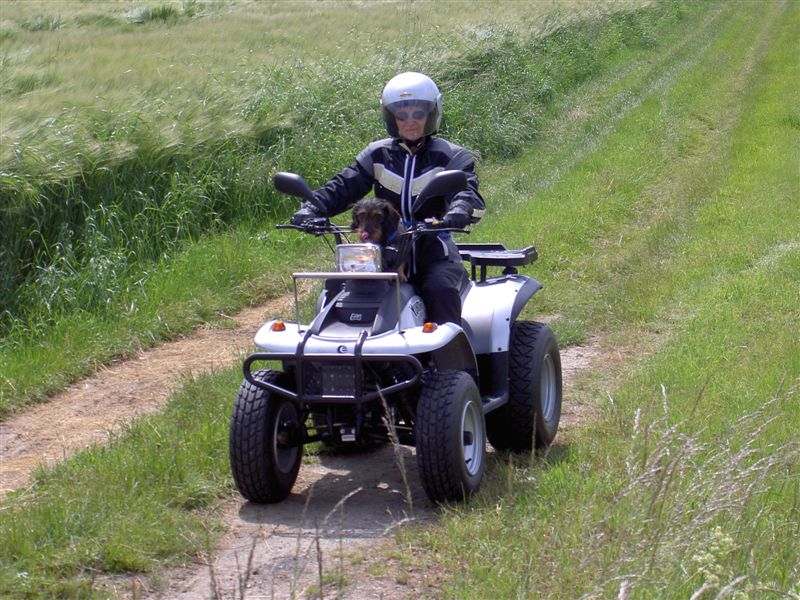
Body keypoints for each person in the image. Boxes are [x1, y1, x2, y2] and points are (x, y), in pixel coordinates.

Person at [291, 71, 485, 325]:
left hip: (432, 250)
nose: (410, 121)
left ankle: (450, 363)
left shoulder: (452, 156)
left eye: (418, 114)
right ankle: (327, 357)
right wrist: (310, 209)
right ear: (391, 118)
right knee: (338, 285)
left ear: (432, 114)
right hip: (379, 254)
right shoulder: (377, 154)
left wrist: (459, 211)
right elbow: (342, 187)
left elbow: (468, 192)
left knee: (439, 289)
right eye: (402, 115)